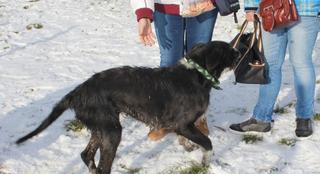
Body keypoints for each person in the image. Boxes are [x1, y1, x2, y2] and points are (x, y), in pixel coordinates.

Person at [229, 0, 320, 139]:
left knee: (301, 63)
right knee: (270, 65)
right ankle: (261, 119)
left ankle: (304, 117)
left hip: (305, 10)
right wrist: (251, 6)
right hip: (270, 7)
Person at [130, 0, 219, 140]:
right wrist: (143, 13)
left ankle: (198, 116)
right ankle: (165, 117)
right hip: (165, 8)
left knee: (200, 64)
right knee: (169, 64)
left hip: (204, 5)